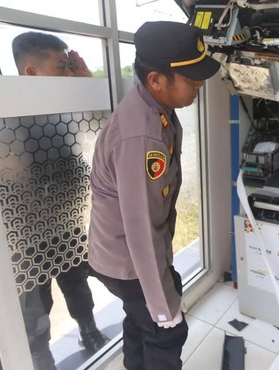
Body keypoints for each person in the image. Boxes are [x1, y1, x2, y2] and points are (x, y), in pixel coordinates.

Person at [88, 21, 220, 369]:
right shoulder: (142, 137)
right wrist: (164, 309)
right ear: (156, 80)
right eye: (192, 80)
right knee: (166, 332)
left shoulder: (153, 107)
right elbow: (141, 231)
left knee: (138, 322)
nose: (200, 86)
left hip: (121, 254)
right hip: (128, 259)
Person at [8, 32, 107, 369]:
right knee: (35, 300)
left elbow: (107, 129)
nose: (67, 74)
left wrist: (85, 86)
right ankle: (39, 355)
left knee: (77, 281)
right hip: (24, 229)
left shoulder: (63, 108)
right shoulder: (2, 113)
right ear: (31, 73)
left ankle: (89, 329)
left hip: (65, 219)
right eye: (61, 67)